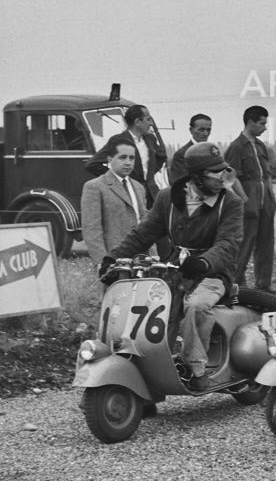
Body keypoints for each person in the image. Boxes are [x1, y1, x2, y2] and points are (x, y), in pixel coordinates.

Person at [100, 142, 243, 392]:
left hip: (213, 271)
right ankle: (149, 371)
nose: (223, 177)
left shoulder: (230, 202)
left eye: (224, 170)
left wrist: (204, 262)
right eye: (215, 172)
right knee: (150, 307)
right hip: (174, 268)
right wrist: (113, 258)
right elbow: (144, 233)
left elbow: (228, 244)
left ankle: (196, 366)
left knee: (196, 305)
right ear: (197, 176)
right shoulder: (168, 197)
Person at [224, 105, 276, 292]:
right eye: (261, 123)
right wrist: (244, 199)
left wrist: (271, 198)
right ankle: (237, 284)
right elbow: (231, 176)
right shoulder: (236, 147)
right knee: (245, 243)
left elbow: (267, 175)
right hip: (249, 200)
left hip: (265, 200)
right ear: (250, 122)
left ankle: (264, 284)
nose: (264, 127)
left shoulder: (261, 146)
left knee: (266, 243)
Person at [81, 139, 149, 270]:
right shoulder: (95, 187)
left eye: (132, 158)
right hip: (114, 261)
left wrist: (152, 255)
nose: (128, 162)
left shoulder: (138, 187)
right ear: (110, 159)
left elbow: (145, 224)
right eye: (122, 157)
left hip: (142, 260)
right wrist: (102, 262)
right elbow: (92, 229)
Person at [86, 104, 166, 209]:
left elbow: (162, 157)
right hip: (128, 194)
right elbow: (92, 164)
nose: (151, 123)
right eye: (148, 119)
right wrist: (118, 178)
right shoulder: (118, 140)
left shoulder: (150, 139)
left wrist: (149, 175)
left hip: (151, 196)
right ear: (138, 122)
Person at [169, 113, 213, 183]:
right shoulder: (182, 155)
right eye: (201, 130)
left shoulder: (212, 152)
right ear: (191, 130)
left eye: (208, 130)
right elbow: (179, 183)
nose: (206, 133)